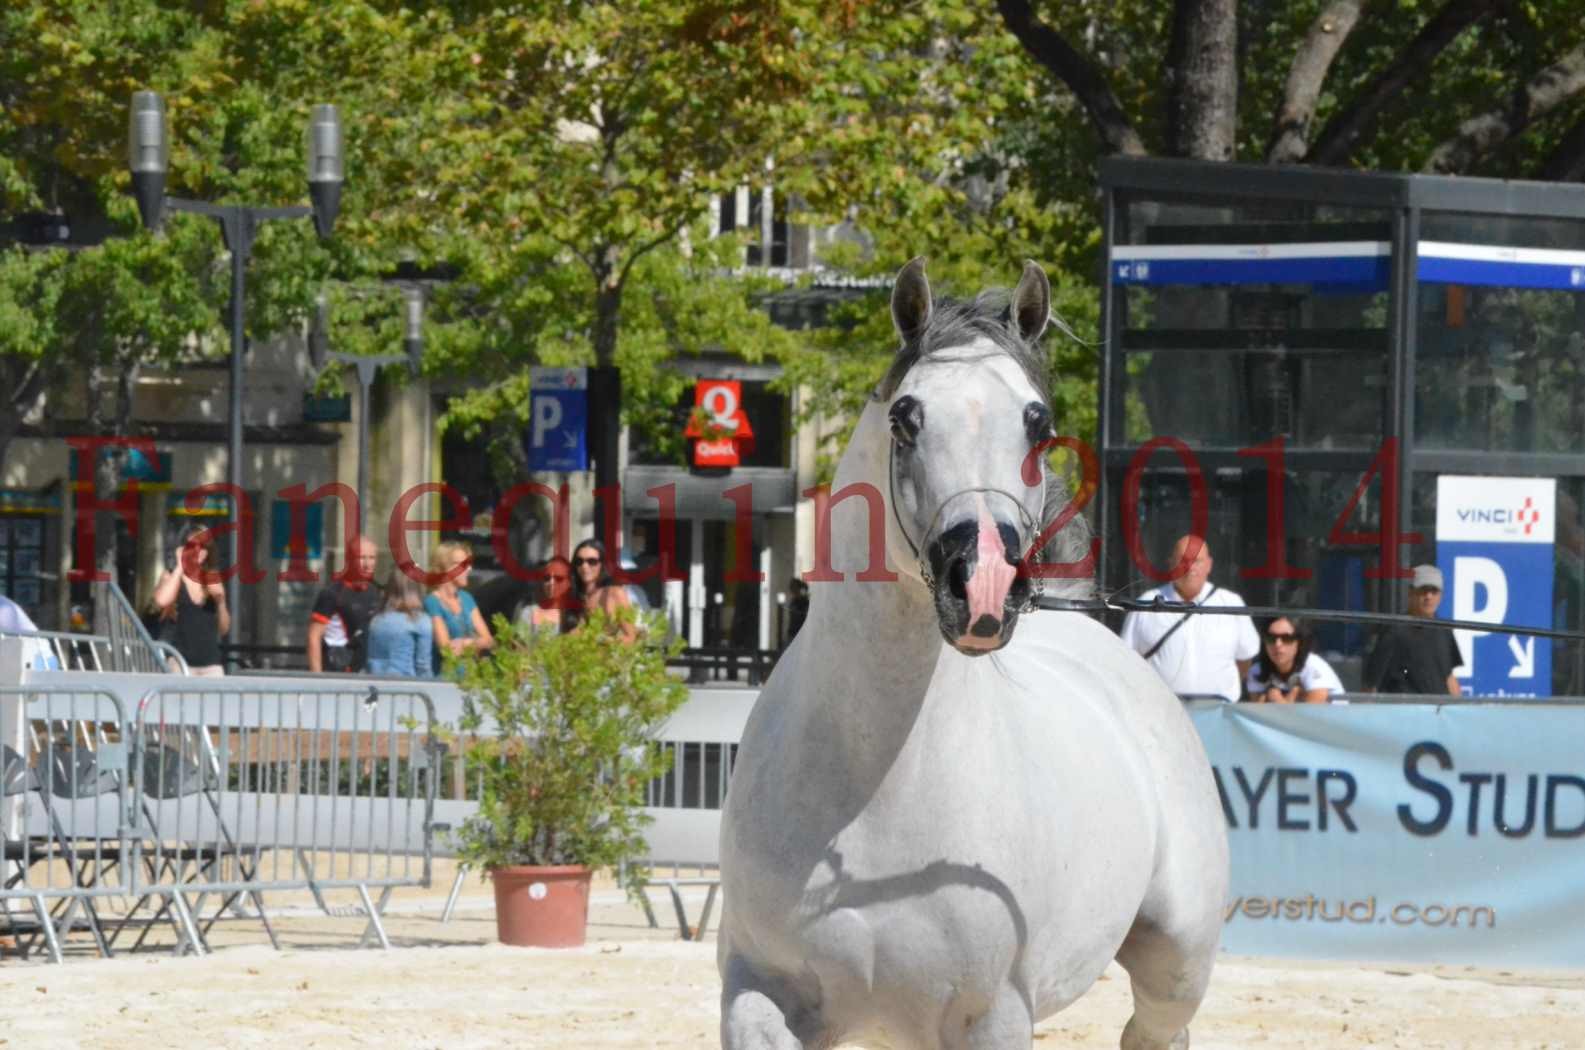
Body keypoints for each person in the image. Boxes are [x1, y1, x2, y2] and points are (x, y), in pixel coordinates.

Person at [1118, 533, 1259, 702]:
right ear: (1170, 564)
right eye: (1182, 560)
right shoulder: (1146, 603)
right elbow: (1125, 659)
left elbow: (1245, 659)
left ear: (1209, 565)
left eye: (1197, 561)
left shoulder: (1231, 603)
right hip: (1162, 713)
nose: (1189, 567)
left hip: (1219, 714)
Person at [1364, 563, 1463, 696]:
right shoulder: (1395, 630)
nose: (1428, 596)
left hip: (1440, 713)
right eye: (1423, 590)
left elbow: (1449, 677)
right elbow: (1371, 684)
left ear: (1441, 595)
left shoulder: (1444, 630)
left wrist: (1460, 711)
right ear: (1410, 592)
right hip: (1406, 713)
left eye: (1434, 591)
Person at [151, 524, 230, 676]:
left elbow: (223, 629)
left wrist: (221, 602)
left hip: (211, 664)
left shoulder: (212, 580)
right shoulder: (171, 576)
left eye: (203, 547)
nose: (198, 552)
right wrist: (180, 568)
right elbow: (161, 601)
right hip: (179, 662)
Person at [307, 535, 383, 673]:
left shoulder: (375, 592)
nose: (367, 564)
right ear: (349, 559)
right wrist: (317, 679)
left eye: (372, 558)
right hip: (336, 671)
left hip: (366, 672)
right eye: (362, 557)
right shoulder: (333, 593)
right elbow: (314, 636)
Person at [1245, 615, 1343, 703]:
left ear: (1299, 643)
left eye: (1287, 638)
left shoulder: (1314, 667)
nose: (1278, 644)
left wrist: (1277, 699)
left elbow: (1310, 716)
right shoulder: (1256, 671)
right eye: (1271, 638)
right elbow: (1258, 716)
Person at [425, 540, 494, 663]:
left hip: (470, 676)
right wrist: (477, 642)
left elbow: (488, 640)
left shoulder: (467, 598)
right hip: (445, 677)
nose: (469, 569)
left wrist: (466, 643)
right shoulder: (432, 602)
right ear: (445, 568)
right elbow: (446, 650)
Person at [365, 574, 434, 678]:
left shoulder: (376, 620)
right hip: (406, 686)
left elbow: (371, 659)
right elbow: (423, 666)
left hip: (376, 684)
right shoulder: (420, 621)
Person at [569, 538, 636, 642]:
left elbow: (631, 637)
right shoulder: (579, 594)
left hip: (609, 656)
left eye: (592, 561)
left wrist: (599, 641)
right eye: (579, 561)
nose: (584, 566)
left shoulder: (615, 593)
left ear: (602, 565)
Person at [516, 555, 575, 637]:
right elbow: (519, 646)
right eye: (547, 578)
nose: (551, 583)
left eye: (558, 578)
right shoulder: (529, 611)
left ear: (569, 583)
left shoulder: (576, 614)